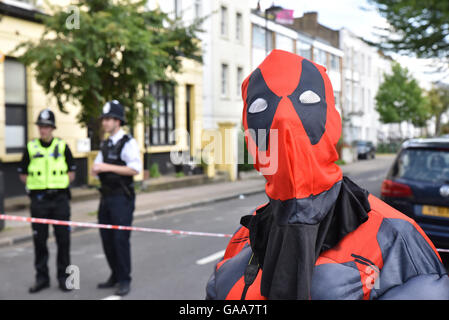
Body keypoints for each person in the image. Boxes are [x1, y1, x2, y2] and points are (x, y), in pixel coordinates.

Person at [206, 50, 449, 300]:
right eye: (261, 107)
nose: (284, 117)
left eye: (307, 101)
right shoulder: (244, 239)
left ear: (332, 120)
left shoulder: (395, 237)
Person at [18, 108, 76, 293]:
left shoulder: (62, 146)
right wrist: (36, 186)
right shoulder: (30, 148)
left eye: (47, 127)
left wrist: (59, 184)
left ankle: (64, 278)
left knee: (63, 241)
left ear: (52, 128)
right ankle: (42, 278)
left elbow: (72, 172)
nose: (43, 130)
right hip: (39, 201)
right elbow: (23, 173)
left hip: (59, 200)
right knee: (40, 242)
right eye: (41, 126)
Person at [91, 100, 141, 296]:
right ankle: (114, 274)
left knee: (120, 239)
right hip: (106, 198)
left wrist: (106, 167)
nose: (104, 123)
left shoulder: (128, 142)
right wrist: (97, 170)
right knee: (106, 239)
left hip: (122, 198)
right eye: (104, 119)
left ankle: (124, 279)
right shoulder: (105, 144)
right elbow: (96, 168)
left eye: (108, 119)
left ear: (118, 121)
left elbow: (134, 168)